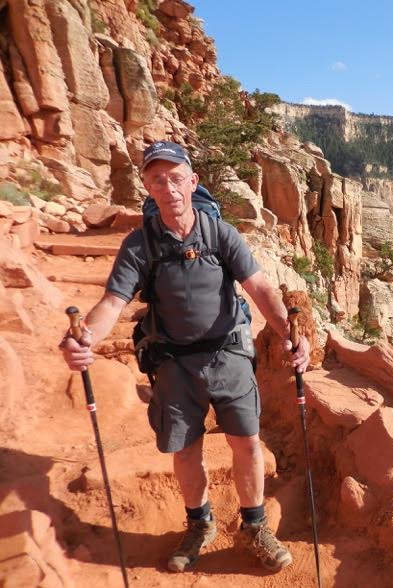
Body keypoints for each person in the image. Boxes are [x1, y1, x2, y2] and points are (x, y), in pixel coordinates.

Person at [60, 140, 310, 574]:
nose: (169, 186)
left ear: (192, 182)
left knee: (247, 442)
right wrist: (86, 340)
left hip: (228, 353)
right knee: (186, 449)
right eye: (158, 179)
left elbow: (260, 288)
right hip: (174, 362)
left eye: (176, 177)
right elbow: (112, 304)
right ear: (147, 186)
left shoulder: (219, 233)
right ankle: (200, 523)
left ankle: (254, 526)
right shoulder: (140, 245)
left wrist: (291, 332)